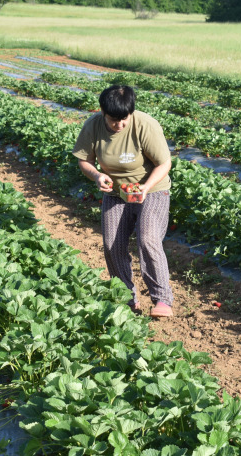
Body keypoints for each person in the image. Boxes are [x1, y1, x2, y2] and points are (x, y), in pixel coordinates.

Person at [72, 85, 174, 318]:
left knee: (148, 238)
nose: (119, 125)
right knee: (112, 244)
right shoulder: (93, 126)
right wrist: (97, 175)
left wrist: (146, 187)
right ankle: (126, 298)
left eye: (124, 119)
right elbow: (84, 161)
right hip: (116, 192)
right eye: (113, 120)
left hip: (153, 189)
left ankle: (162, 299)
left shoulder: (146, 125)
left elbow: (164, 164)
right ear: (102, 113)